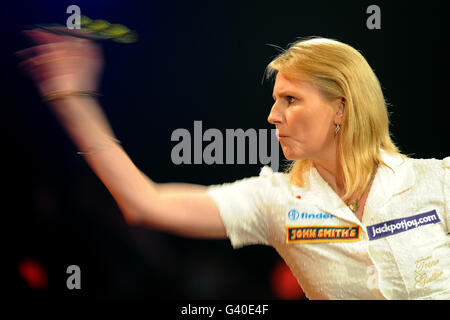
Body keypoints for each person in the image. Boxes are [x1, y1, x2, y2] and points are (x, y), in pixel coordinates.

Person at [16, 29, 449, 300]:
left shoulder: (436, 183)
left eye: (290, 100)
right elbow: (145, 202)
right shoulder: (275, 202)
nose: (272, 116)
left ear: (341, 108)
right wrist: (73, 100)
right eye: (274, 100)